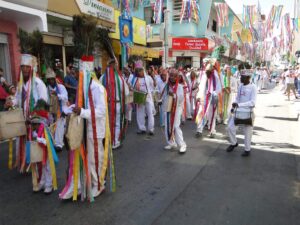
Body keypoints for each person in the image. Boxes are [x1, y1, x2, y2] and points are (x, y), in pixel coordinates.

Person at [226, 70, 257, 157]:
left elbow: (252, 103)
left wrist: (239, 105)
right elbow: (237, 99)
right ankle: (234, 143)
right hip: (238, 112)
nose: (240, 78)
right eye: (240, 76)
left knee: (247, 133)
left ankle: (247, 150)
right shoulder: (240, 86)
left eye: (242, 77)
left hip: (248, 113)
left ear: (248, 78)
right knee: (230, 127)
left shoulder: (253, 87)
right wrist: (233, 106)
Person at [100, 59, 128, 149]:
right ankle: (115, 142)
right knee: (117, 123)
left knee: (107, 123)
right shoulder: (120, 78)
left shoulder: (102, 77)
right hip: (117, 104)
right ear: (114, 66)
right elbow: (126, 92)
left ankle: (108, 141)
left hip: (106, 105)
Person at [162, 69, 187, 154]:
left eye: (174, 76)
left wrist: (174, 95)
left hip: (177, 109)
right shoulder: (167, 85)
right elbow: (164, 96)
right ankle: (171, 143)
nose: (172, 77)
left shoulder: (179, 86)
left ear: (177, 77)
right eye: (171, 75)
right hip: (168, 108)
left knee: (176, 126)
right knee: (167, 126)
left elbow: (181, 99)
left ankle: (182, 145)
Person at [195, 62, 222, 138]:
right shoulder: (204, 75)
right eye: (206, 72)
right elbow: (201, 86)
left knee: (212, 115)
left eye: (209, 72)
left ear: (212, 71)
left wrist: (213, 93)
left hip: (212, 98)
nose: (207, 74)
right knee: (201, 113)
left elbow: (219, 88)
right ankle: (199, 130)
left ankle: (212, 131)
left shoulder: (216, 75)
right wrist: (199, 96)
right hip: (203, 97)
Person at [128, 63, 155, 135]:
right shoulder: (134, 79)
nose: (139, 72)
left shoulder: (148, 78)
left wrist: (149, 94)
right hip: (139, 98)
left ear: (143, 70)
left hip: (148, 98)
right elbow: (130, 87)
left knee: (150, 113)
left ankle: (151, 129)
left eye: (140, 70)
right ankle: (142, 128)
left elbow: (152, 87)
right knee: (140, 113)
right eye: (137, 70)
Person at [46, 68, 69, 152]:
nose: (51, 81)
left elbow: (66, 98)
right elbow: (46, 100)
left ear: (54, 79)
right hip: (51, 111)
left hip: (61, 109)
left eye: (52, 79)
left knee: (59, 127)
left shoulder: (61, 87)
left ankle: (59, 144)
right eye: (49, 79)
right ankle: (54, 143)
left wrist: (57, 95)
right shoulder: (46, 89)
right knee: (52, 127)